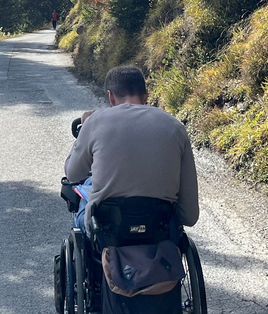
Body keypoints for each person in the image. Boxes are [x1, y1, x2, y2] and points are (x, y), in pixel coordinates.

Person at [64, 65, 199, 233]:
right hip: (159, 228)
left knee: (86, 190)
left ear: (111, 97)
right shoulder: (174, 126)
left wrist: (84, 128)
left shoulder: (96, 121)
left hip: (108, 229)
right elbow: (190, 215)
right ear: (146, 96)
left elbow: (73, 174)